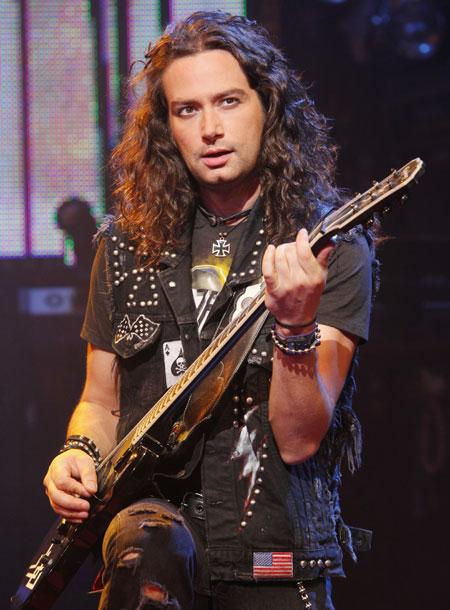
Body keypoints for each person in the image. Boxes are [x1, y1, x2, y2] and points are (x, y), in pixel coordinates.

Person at [43, 11, 374, 610]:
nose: (211, 129)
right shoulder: (126, 246)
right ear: (166, 126)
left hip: (275, 563)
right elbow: (100, 401)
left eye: (228, 101)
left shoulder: (326, 246)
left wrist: (295, 325)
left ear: (268, 106)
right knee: (147, 546)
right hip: (151, 548)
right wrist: (78, 452)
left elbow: (299, 439)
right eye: (187, 110)